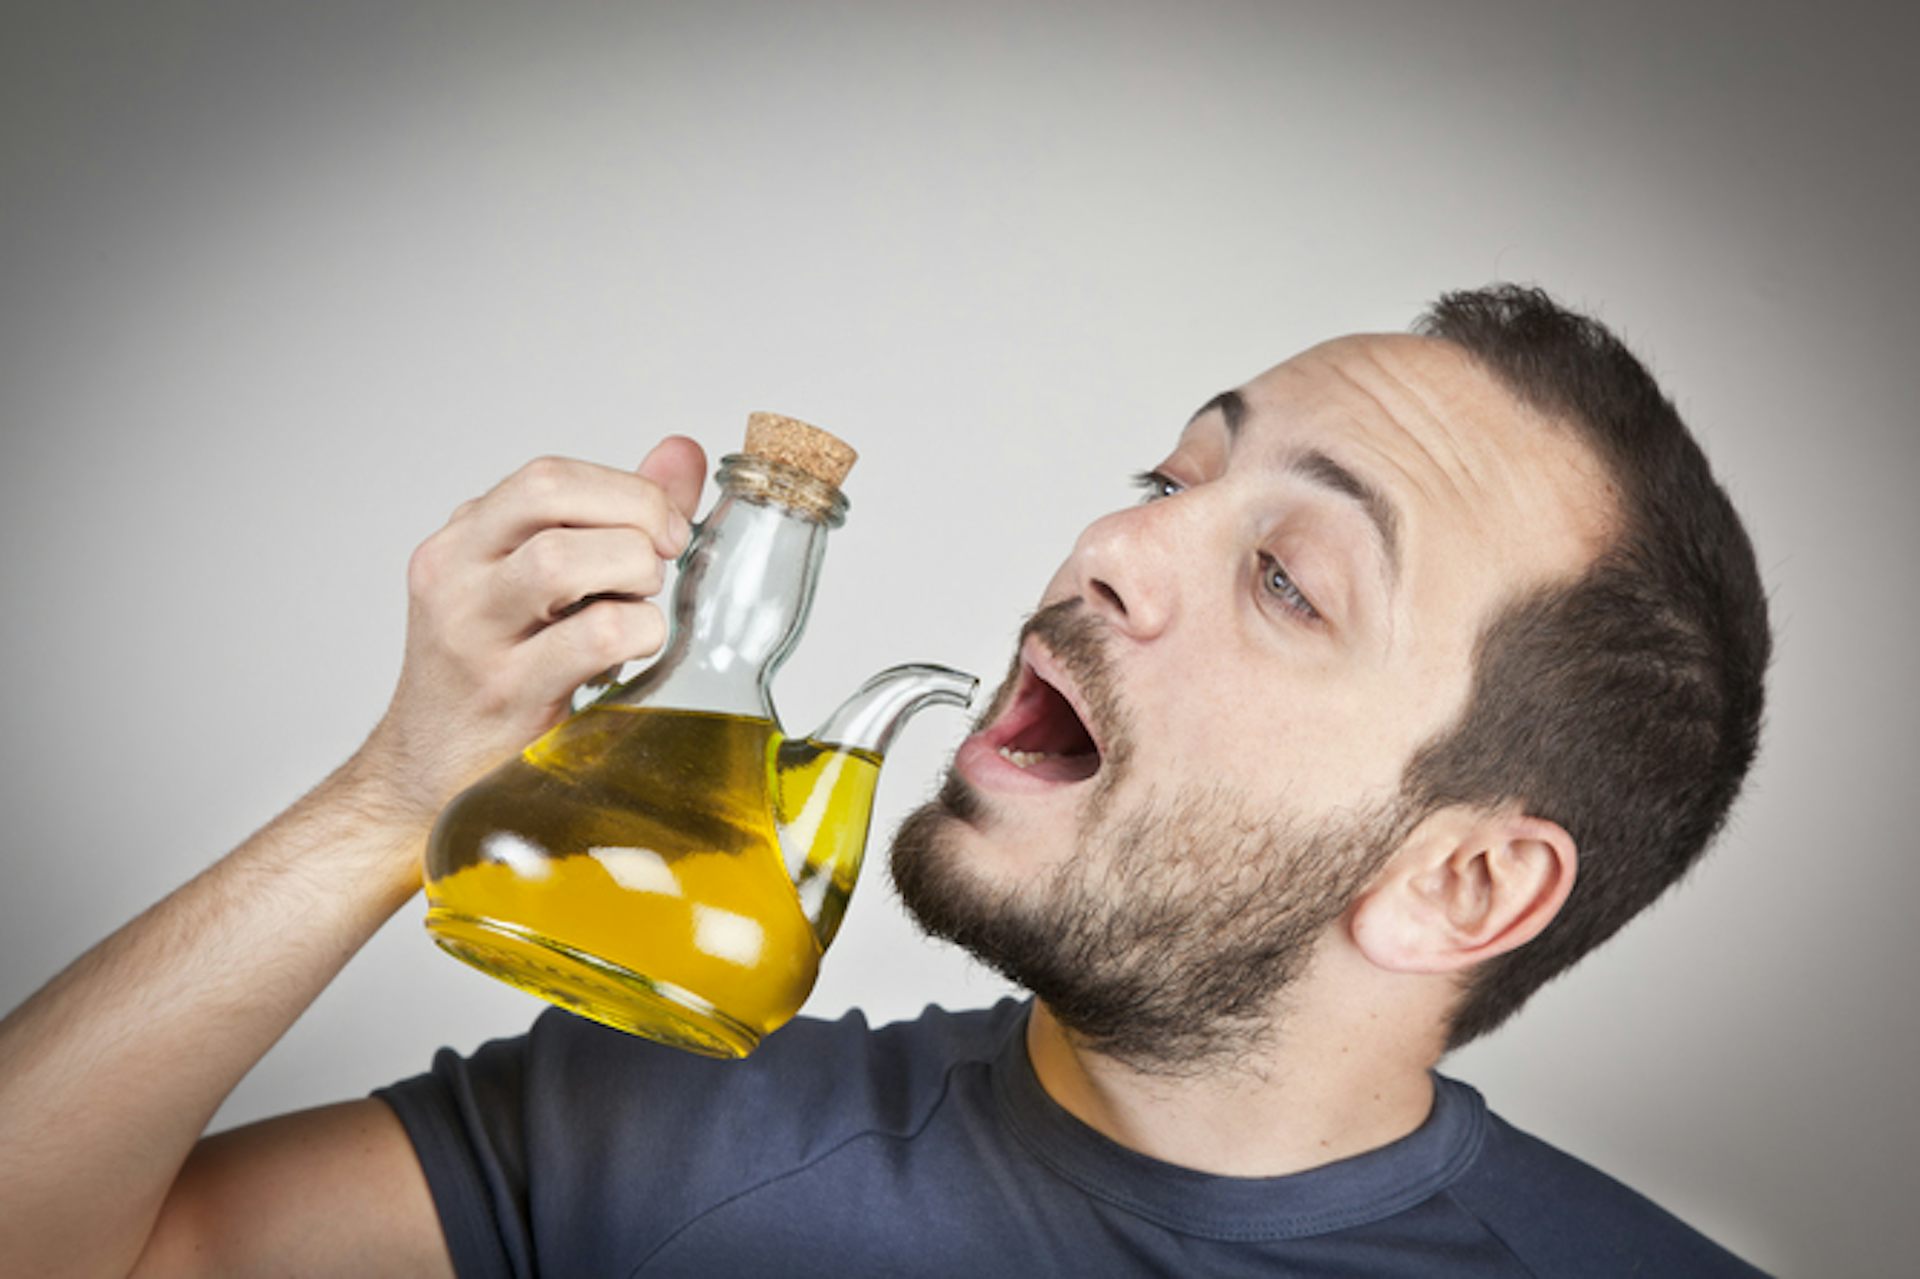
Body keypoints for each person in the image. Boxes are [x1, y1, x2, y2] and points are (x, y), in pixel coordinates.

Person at [0, 285, 1771, 1277]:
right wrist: (392, 803)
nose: (1112, 547)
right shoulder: (658, 1136)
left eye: (1289, 577)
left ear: (1465, 885)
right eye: (1169, 476)